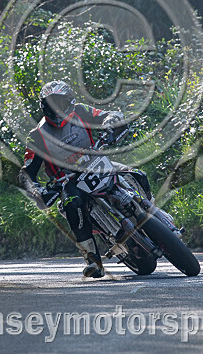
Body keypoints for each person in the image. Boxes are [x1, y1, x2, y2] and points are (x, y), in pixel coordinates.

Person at [18, 80, 126, 278]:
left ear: (70, 101)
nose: (56, 108)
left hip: (96, 163)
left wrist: (111, 122)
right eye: (51, 103)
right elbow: (27, 172)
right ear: (44, 107)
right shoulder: (37, 136)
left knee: (132, 172)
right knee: (72, 203)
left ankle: (158, 215)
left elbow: (105, 115)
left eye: (60, 102)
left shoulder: (81, 111)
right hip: (68, 181)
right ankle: (93, 260)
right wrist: (36, 190)